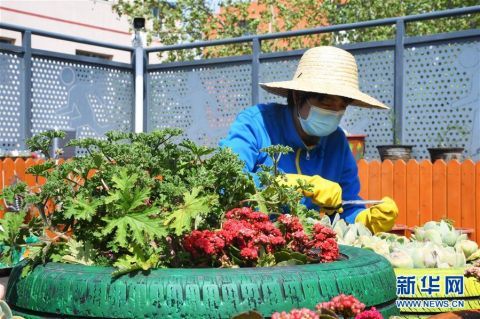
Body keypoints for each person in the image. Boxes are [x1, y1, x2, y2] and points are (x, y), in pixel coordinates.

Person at [220, 46, 398, 234]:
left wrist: (365, 219)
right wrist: (293, 184)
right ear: (298, 96)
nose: (333, 113)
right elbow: (226, 183)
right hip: (247, 243)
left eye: (341, 107)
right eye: (326, 103)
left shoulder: (337, 143)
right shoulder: (256, 124)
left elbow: (345, 207)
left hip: (304, 250)